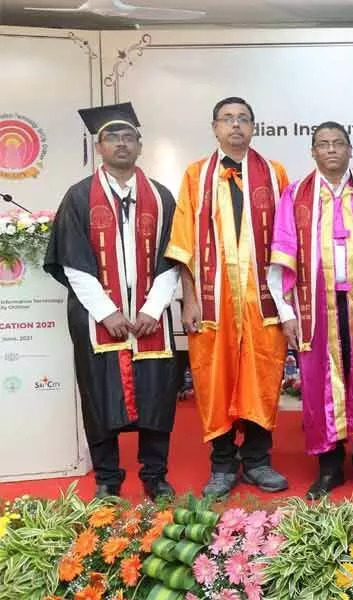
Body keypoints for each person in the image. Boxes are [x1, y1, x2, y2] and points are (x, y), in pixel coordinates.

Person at [44, 103, 179, 500]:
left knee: (157, 392)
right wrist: (107, 311)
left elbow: (174, 259)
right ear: (98, 146)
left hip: (151, 318)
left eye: (129, 137)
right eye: (112, 138)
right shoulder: (79, 196)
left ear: (140, 145)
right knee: (98, 393)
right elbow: (73, 261)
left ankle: (155, 475)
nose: (122, 144)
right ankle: (108, 477)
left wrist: (152, 310)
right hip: (95, 319)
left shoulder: (161, 197)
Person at [165, 96, 290, 497]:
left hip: (261, 298)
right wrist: (190, 298)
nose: (236, 125)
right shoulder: (195, 175)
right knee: (214, 378)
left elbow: (289, 243)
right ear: (215, 127)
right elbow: (184, 242)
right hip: (212, 297)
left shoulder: (274, 174)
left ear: (254, 127)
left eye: (244, 119)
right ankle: (222, 464)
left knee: (262, 374)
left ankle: (257, 461)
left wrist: (288, 303)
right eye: (228, 119)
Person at [269, 122, 353, 500]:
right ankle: (329, 468)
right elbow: (279, 260)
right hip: (315, 305)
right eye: (323, 144)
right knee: (320, 382)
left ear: (351, 148)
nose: (331, 150)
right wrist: (286, 313)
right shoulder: (296, 196)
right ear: (313, 151)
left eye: (338, 143)